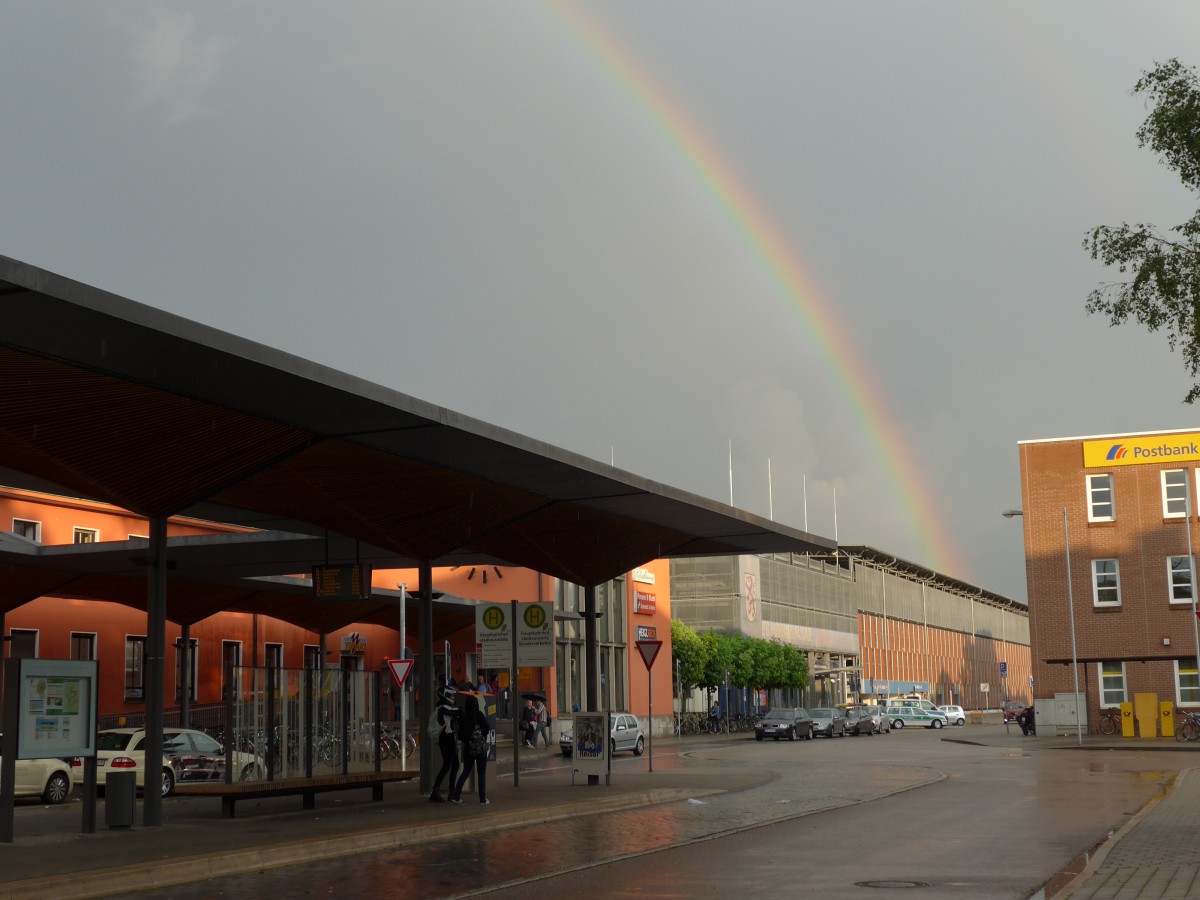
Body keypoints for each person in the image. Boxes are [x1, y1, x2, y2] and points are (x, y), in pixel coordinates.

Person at [450, 694, 492, 805]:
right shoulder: (479, 714)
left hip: (468, 748)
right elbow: (487, 727)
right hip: (480, 748)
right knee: (481, 773)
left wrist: (469, 739)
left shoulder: (463, 717)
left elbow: (460, 735)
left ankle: (456, 796)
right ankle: (482, 799)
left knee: (465, 772)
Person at [428, 686, 460, 802]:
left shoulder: (443, 707)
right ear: (445, 695)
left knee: (451, 765)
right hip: (447, 738)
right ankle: (445, 793)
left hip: (447, 738)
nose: (453, 698)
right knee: (450, 765)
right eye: (451, 695)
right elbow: (457, 712)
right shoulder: (443, 707)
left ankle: (444, 792)